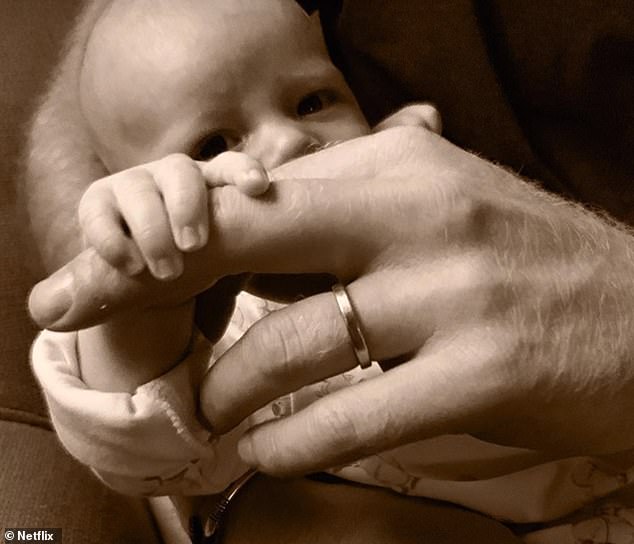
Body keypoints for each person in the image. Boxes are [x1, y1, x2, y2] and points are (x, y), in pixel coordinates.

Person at [24, 1, 634, 543]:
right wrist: (146, 299)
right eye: (213, 145)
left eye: (312, 102)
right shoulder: (212, 320)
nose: (289, 141)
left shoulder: (424, 199)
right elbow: (141, 451)